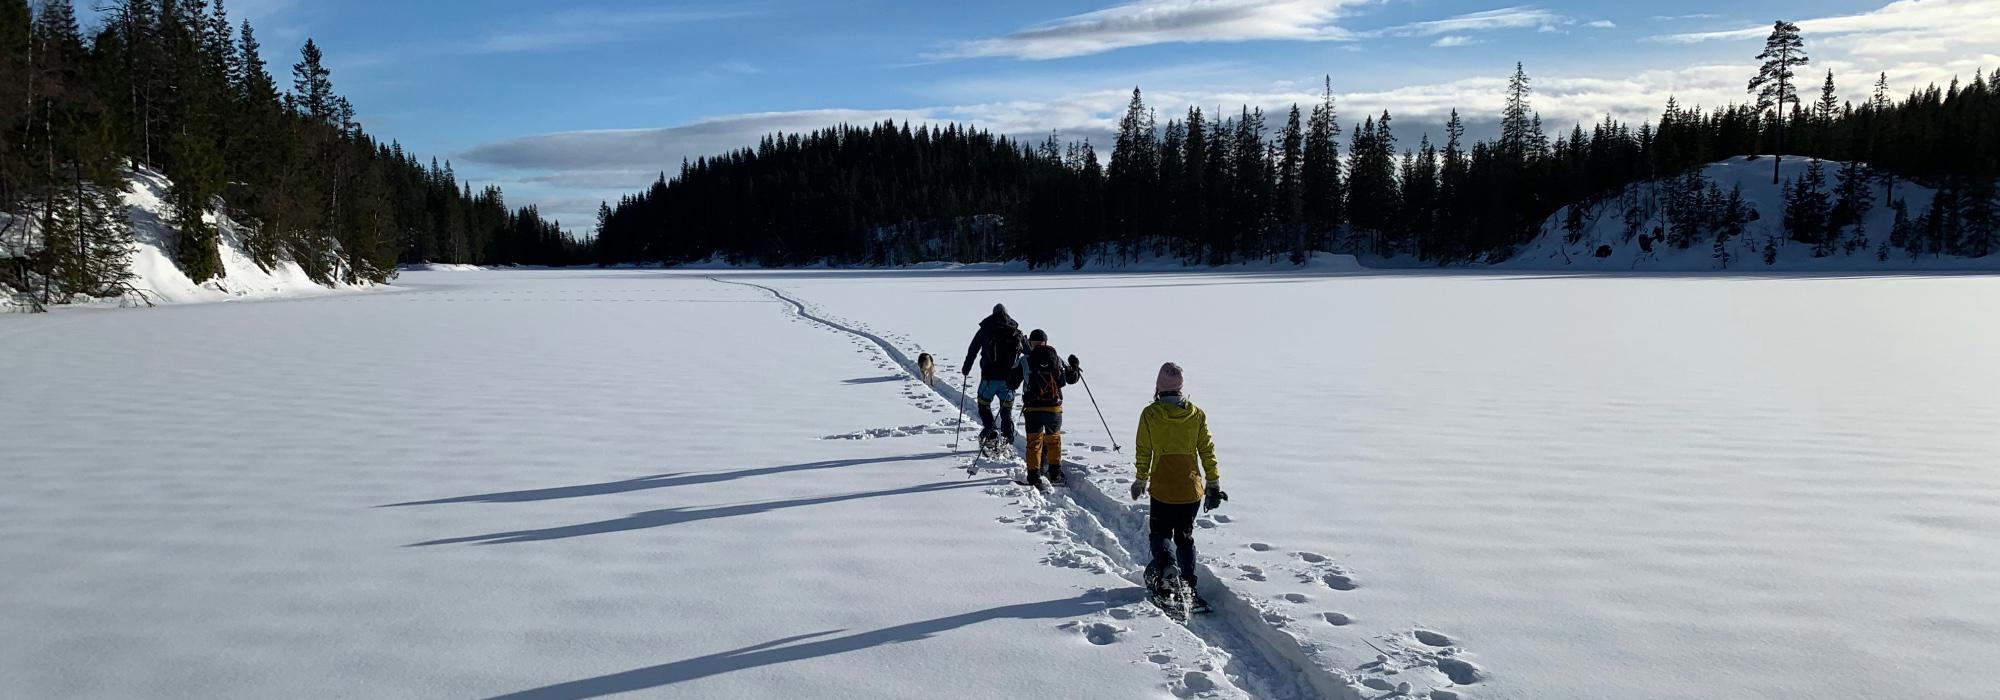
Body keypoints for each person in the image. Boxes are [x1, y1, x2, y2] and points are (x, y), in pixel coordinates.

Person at [1129, 362, 1226, 606]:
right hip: (1190, 489)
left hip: (1163, 487)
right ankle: (1189, 584)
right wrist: (1212, 482)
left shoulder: (1150, 414)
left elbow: (1144, 450)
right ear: (1181, 387)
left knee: (1161, 533)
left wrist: (1141, 479)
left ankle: (1168, 570)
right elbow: (1207, 450)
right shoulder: (1196, 414)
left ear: (1159, 386)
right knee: (1185, 536)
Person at [1019, 329, 1082, 487]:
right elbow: (1070, 379)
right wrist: (1075, 365)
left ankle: (1033, 476)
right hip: (1053, 408)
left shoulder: (1025, 359)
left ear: (1030, 343)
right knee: (1053, 440)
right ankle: (1055, 474)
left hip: (1032, 408)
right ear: (1046, 342)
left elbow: (1012, 382)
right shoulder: (1056, 358)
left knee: (1034, 442)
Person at [962, 303, 1027, 451]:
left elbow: (973, 349)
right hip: (1009, 381)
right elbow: (1028, 351)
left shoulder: (985, 329)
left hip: (989, 378)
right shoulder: (1015, 331)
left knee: (983, 404)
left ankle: (991, 433)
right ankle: (1007, 439)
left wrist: (966, 368)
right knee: (1006, 411)